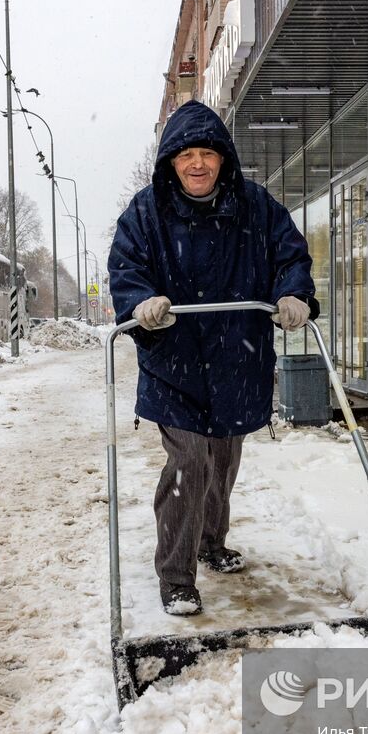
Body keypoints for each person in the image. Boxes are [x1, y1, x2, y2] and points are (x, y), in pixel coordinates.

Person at [109, 100, 317, 616]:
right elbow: (127, 269)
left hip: (236, 360)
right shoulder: (145, 213)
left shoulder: (256, 206)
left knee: (222, 462)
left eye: (206, 153)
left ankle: (210, 543)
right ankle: (176, 576)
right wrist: (141, 304)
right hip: (173, 363)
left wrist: (293, 293)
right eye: (186, 155)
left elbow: (290, 255)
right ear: (171, 162)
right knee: (189, 462)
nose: (197, 164)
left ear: (223, 158)